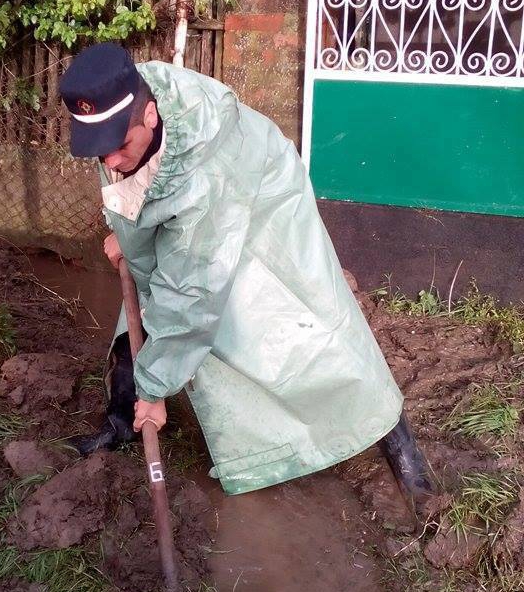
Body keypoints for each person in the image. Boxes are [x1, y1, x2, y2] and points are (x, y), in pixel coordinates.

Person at [59, 43, 432, 505]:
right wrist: (125, 225)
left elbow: (192, 290)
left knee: (302, 331)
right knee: (145, 308)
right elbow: (135, 186)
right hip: (201, 219)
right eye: (100, 151)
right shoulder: (127, 95)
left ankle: (390, 431)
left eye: (118, 147)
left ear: (151, 117)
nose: (110, 161)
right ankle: (121, 419)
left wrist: (157, 391)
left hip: (258, 208)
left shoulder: (201, 167)